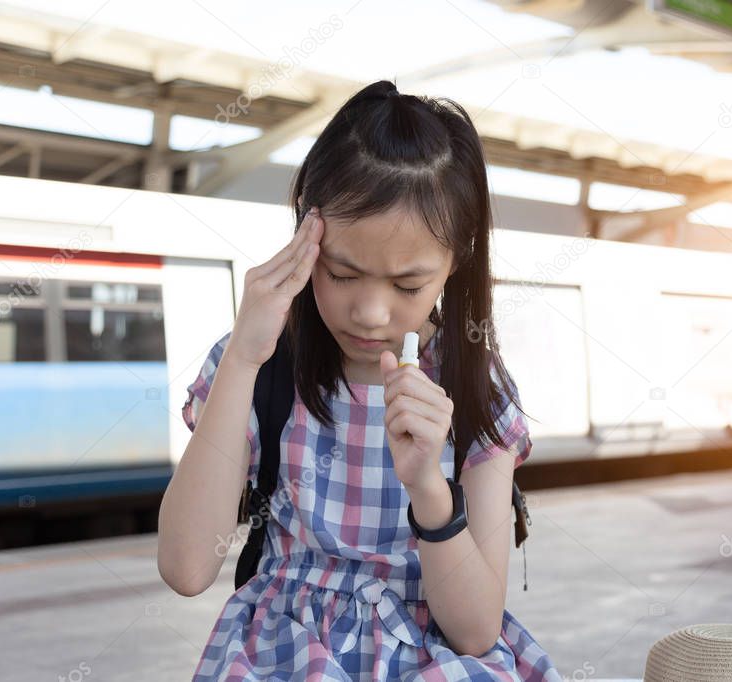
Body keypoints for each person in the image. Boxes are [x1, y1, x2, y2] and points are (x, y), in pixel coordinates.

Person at [157, 79, 563, 681]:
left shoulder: (476, 390)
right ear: (306, 233)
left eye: (407, 286)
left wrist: (428, 486)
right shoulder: (259, 365)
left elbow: (476, 630)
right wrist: (242, 357)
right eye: (342, 273)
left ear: (457, 262)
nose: (371, 313)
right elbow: (188, 569)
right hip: (283, 656)